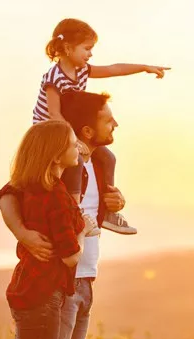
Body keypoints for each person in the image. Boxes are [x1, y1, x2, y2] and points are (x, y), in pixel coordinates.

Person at [0, 90, 127, 339]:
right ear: (85, 130)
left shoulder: (99, 165)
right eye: (107, 119)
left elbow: (88, 220)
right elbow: (9, 194)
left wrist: (115, 205)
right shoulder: (54, 177)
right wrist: (23, 233)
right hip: (59, 281)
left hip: (84, 278)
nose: (115, 123)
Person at [0, 119, 97, 339]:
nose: (77, 147)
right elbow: (70, 256)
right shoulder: (56, 198)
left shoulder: (36, 190)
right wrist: (84, 230)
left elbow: (7, 193)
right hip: (45, 297)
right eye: (71, 142)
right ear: (54, 155)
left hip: (27, 290)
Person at [33, 17, 170, 235]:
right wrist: (73, 140)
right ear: (68, 48)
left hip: (70, 129)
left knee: (108, 157)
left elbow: (114, 69)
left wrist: (144, 67)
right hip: (50, 131)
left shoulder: (83, 70)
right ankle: (75, 212)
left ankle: (107, 212)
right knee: (76, 160)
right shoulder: (54, 77)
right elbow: (54, 114)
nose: (90, 54)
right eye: (86, 49)